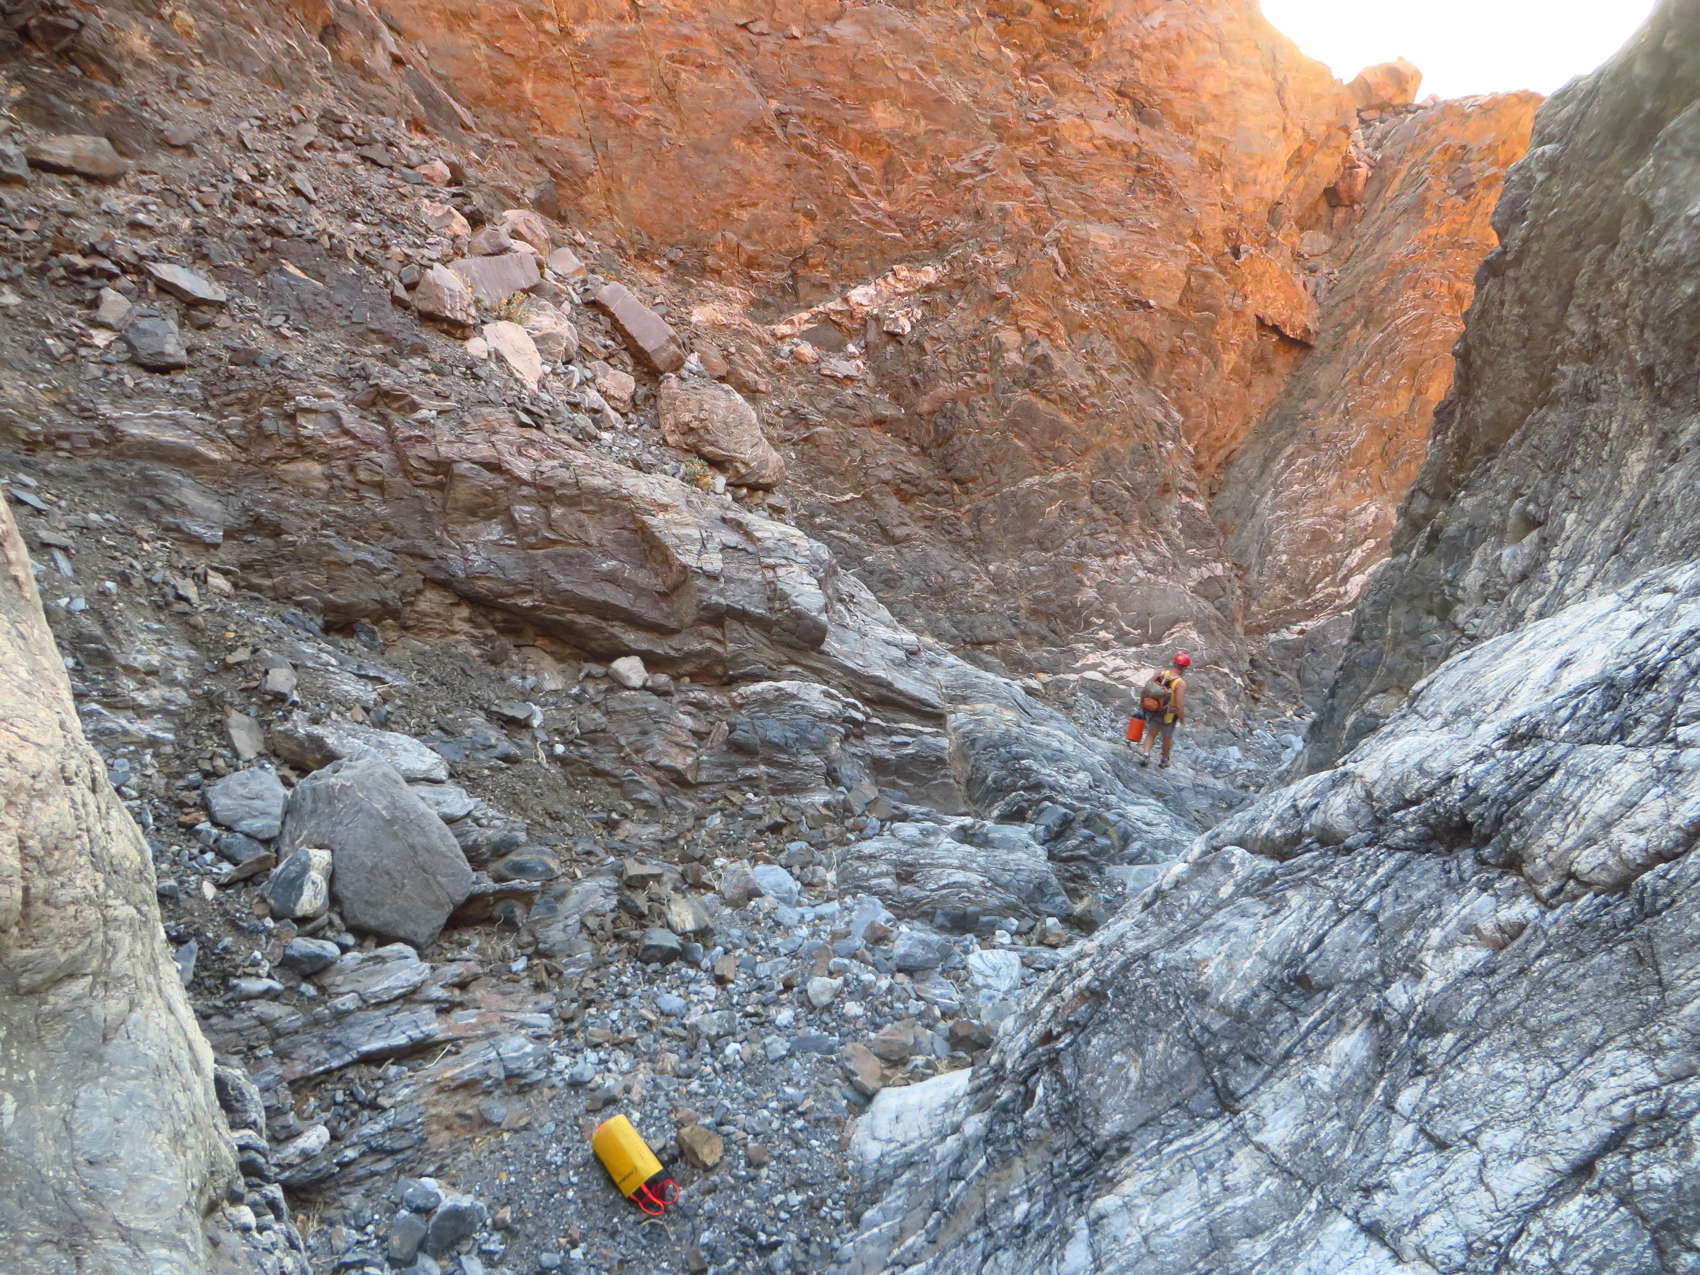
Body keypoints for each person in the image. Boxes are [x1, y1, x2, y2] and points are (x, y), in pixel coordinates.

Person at [1136, 652, 1190, 768]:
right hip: (1169, 714)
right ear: (1184, 667)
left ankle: (1145, 755)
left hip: (1154, 708)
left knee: (1151, 734)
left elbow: (1146, 687)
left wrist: (1142, 703)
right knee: (1167, 737)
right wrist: (1181, 718)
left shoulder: (1160, 674)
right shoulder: (1180, 683)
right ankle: (1164, 760)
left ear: (1174, 663)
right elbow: (1180, 704)